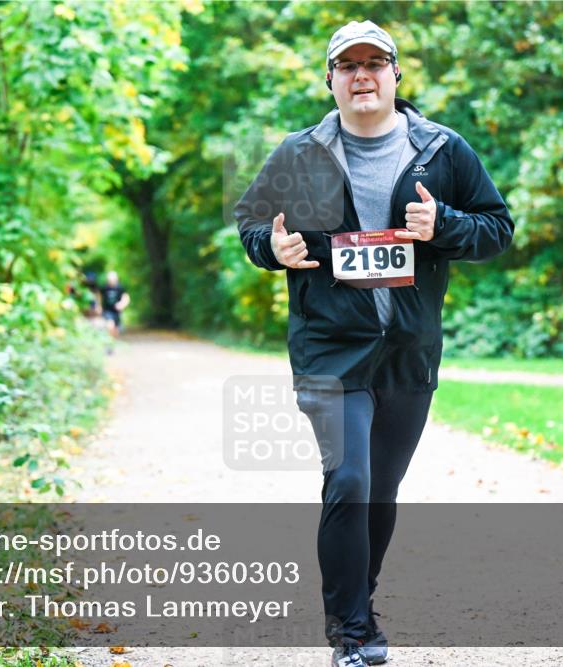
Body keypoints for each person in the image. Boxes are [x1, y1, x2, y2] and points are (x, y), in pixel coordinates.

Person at [234, 20, 514, 667]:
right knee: (350, 480)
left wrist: (444, 224)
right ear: (330, 80)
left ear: (395, 74)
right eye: (348, 66)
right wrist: (272, 248)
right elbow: (251, 223)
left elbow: (497, 229)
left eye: (374, 63)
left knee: (380, 492)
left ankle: (360, 602)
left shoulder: (441, 150)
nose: (362, 75)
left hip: (408, 352)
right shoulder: (299, 153)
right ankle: (351, 633)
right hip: (329, 350)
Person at [99, 271, 130, 337]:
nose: (111, 281)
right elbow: (99, 297)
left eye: (113, 280)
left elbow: (126, 297)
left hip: (117, 311)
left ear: (116, 279)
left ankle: (113, 339)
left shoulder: (120, 288)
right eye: (109, 280)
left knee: (116, 328)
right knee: (110, 325)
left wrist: (121, 304)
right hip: (107, 310)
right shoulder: (104, 288)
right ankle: (110, 340)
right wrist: (99, 306)